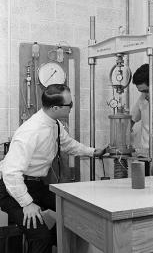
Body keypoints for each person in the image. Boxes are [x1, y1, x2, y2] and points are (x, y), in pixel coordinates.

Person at [0, 84, 106, 253]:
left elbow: (68, 144)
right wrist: (27, 204)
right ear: (56, 108)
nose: (72, 107)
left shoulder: (54, 124)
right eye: (69, 105)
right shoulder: (31, 131)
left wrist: (93, 152)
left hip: (34, 185)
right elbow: (11, 173)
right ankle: (45, 239)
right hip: (11, 189)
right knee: (40, 236)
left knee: (74, 210)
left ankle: (55, 240)